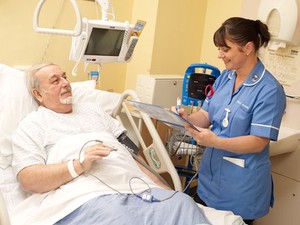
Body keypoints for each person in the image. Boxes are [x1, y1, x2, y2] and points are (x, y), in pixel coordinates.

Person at [11, 63, 210, 225]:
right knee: (120, 218)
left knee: (182, 204)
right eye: (56, 81)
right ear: (38, 94)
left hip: (132, 186)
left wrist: (162, 188)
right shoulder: (32, 125)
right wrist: (78, 165)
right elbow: (29, 179)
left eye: (65, 77)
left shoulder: (93, 110)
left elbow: (131, 153)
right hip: (88, 195)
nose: (65, 83)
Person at [174, 17, 286, 225]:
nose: (220, 55)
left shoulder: (269, 90)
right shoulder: (225, 77)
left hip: (240, 190)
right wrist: (186, 119)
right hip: (208, 183)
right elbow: (207, 115)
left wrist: (215, 142)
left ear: (248, 48)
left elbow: (258, 142)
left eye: (225, 49)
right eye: (219, 48)